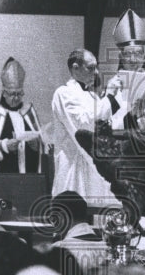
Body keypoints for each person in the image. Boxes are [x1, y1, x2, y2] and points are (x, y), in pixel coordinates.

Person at [49, 50, 116, 203]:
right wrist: (110, 97)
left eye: (96, 67)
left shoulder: (91, 95)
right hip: (74, 165)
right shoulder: (63, 93)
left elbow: (104, 122)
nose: (96, 72)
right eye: (91, 68)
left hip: (94, 165)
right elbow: (84, 124)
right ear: (75, 67)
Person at [0, 57, 43, 180]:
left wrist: (36, 145)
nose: (16, 98)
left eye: (19, 93)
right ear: (4, 93)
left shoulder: (29, 112)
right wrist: (4, 145)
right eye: (12, 94)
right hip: (5, 176)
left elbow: (42, 143)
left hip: (29, 177)